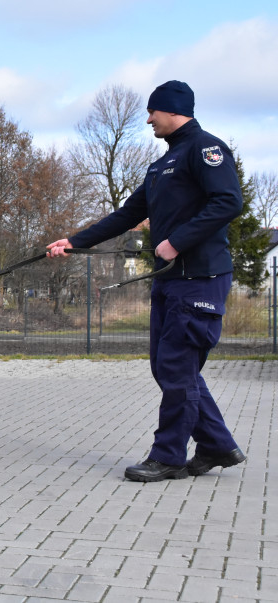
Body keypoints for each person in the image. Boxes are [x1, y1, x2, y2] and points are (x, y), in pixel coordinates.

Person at [47, 80, 247, 482]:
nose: (149, 119)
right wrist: (75, 242)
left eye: (152, 111)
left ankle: (169, 457)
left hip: (200, 279)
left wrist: (177, 241)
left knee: (176, 370)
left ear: (173, 110)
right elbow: (127, 214)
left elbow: (228, 201)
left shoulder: (206, 149)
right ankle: (217, 445)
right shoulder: (162, 166)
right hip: (171, 281)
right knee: (168, 368)